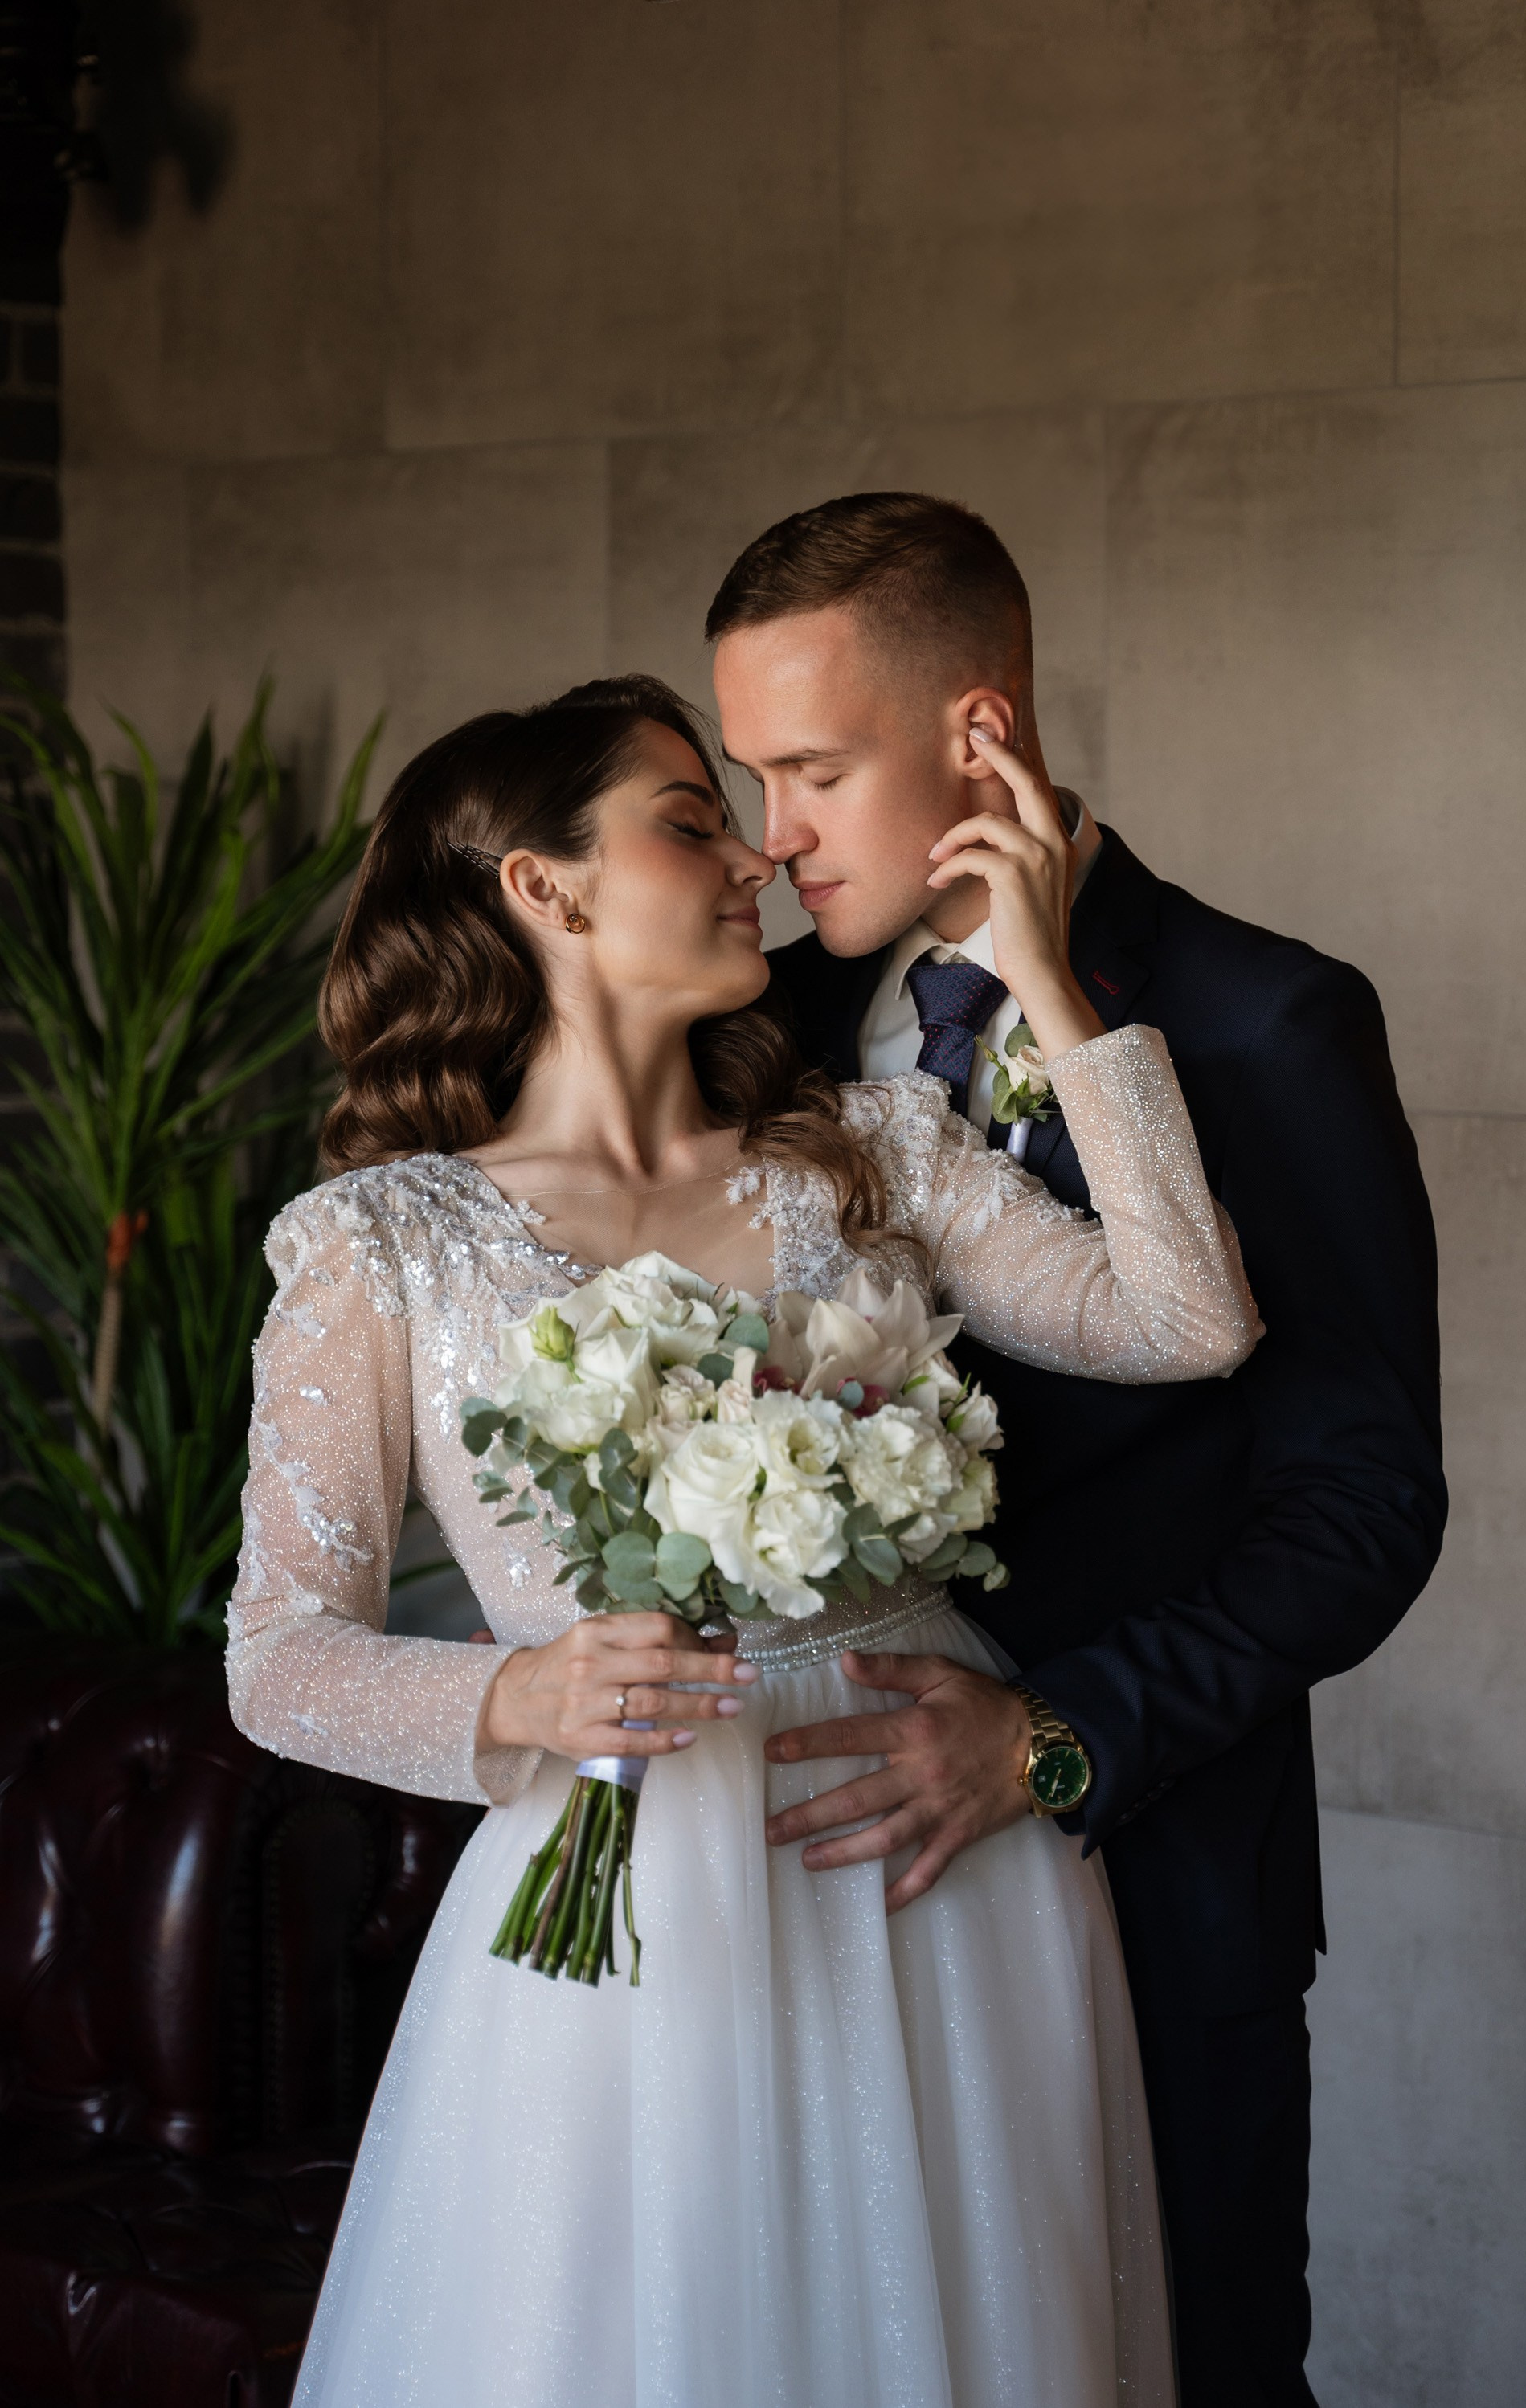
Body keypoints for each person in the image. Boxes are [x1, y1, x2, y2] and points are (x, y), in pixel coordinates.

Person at [228, 672, 1262, 2408]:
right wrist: (529, 1692)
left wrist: (1049, 984)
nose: (757, 863)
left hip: (943, 1857)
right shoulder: (377, 1244)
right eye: (690, 821)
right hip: (636, 1905)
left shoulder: (864, 1155)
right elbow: (276, 1653)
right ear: (543, 890)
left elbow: (1189, 1320)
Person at [710, 492, 1447, 2408]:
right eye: (746, 776)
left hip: (1153, 1858)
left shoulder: (1261, 1018)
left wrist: (1052, 1732)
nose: (768, 838)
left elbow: (1364, 1504)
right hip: (826, 1884)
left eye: (809, 769)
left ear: (978, 736)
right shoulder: (766, 1033)